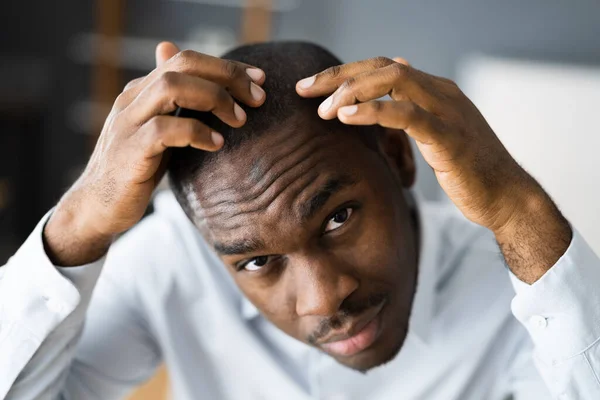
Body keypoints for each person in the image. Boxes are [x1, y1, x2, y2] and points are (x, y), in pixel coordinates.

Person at [1, 40, 599, 400]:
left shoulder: (522, 292)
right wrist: (80, 220)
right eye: (257, 261)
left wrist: (521, 212)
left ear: (395, 157)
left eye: (338, 218)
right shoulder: (170, 262)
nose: (323, 299)